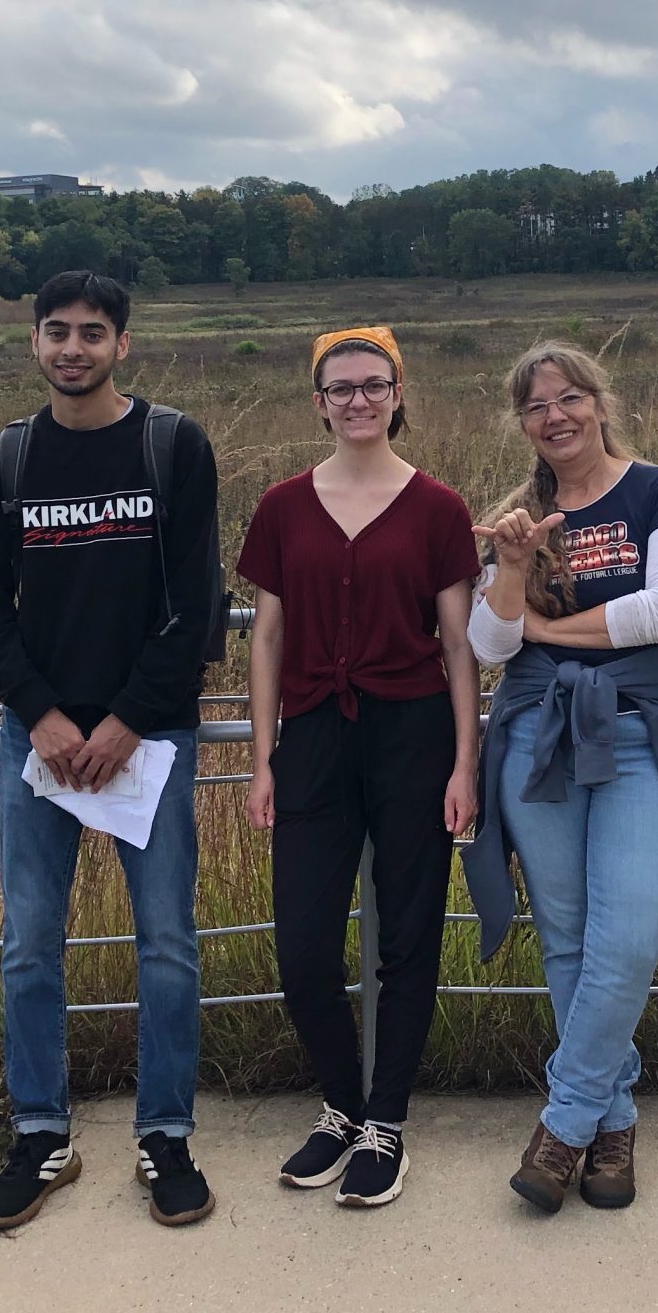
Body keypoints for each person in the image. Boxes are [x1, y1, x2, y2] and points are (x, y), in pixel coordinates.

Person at [0, 270, 225, 1230]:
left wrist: (123, 722)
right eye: (57, 332)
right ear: (34, 343)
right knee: (30, 942)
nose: (74, 348)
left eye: (93, 333)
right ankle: (40, 1134)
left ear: (123, 345)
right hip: (39, 744)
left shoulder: (172, 446)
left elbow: (198, 608)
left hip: (148, 740)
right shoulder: (4, 463)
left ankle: (165, 1136)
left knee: (166, 944)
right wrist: (45, 717)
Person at [461, 342, 658, 1216]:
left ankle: (564, 1120)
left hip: (640, 733)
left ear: (599, 403)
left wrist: (546, 630)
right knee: (569, 935)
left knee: (633, 934)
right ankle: (612, 1122)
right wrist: (509, 575)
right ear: (523, 423)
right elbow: (490, 646)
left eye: (569, 398)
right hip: (537, 735)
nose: (555, 417)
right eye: (536, 407)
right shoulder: (517, 518)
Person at [239, 327, 482, 1208]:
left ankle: (387, 1120)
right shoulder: (282, 507)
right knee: (303, 946)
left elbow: (458, 647)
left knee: (410, 935)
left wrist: (465, 763)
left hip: (412, 734)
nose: (357, 400)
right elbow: (265, 637)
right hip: (310, 736)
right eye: (339, 388)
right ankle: (339, 1103)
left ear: (398, 393)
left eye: (372, 385)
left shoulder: (438, 509)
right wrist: (262, 754)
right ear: (318, 402)